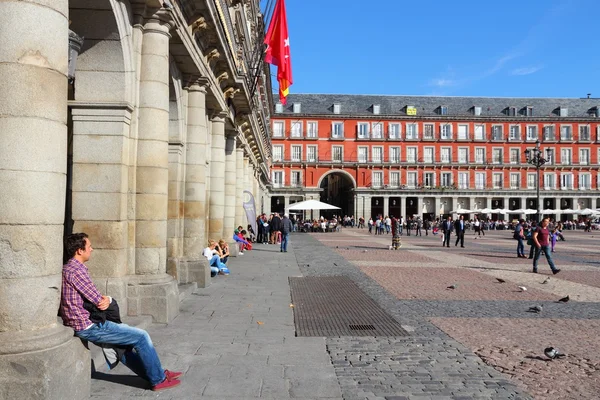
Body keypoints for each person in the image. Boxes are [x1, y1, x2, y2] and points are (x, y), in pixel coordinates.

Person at [59, 233, 182, 391]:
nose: (92, 249)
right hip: (88, 326)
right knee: (141, 336)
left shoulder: (71, 268)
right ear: (79, 250)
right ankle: (158, 379)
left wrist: (106, 300)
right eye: (89, 246)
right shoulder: (75, 270)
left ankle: (156, 373)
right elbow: (98, 300)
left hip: (84, 323)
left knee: (121, 348)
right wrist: (109, 299)